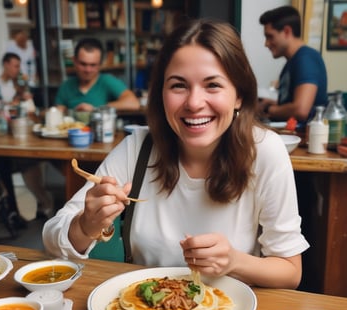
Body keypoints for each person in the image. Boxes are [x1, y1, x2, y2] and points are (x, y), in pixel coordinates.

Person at [43, 19, 309, 289]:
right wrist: (86, 225)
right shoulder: (138, 148)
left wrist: (235, 262)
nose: (194, 103)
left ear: (238, 95)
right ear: (161, 93)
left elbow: (290, 272)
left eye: (213, 85)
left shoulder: (265, 151)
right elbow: (53, 238)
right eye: (178, 85)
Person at [0, 52, 53, 224]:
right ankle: (12, 208)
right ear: (6, 64)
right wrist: (7, 105)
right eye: (14, 65)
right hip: (1, 129)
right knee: (6, 164)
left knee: (31, 162)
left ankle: (42, 202)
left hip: (18, 128)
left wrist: (23, 97)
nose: (17, 69)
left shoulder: (16, 83)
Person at [258, 6, 328, 129]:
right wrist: (273, 104)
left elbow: (301, 110)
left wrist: (268, 108)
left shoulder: (306, 59)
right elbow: (294, 103)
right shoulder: (293, 61)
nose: (266, 44)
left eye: (270, 36)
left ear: (286, 31)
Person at [55, 37, 140, 114]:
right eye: (83, 64)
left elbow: (133, 103)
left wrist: (96, 108)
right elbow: (58, 112)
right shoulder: (66, 85)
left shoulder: (107, 81)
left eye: (93, 65)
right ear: (74, 61)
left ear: (100, 64)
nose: (88, 70)